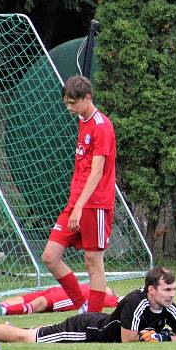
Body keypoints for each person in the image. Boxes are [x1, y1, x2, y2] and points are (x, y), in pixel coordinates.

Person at [0, 267, 176, 344]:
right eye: (167, 290)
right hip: (84, 331)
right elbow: (128, 341)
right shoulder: (135, 302)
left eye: (173, 289)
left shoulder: (168, 306)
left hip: (95, 327)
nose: (172, 294)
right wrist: (155, 338)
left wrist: (165, 339)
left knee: (36, 332)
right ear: (151, 289)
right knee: (26, 338)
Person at [42, 75, 116, 314]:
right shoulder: (83, 121)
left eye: (73, 103)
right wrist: (74, 205)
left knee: (93, 263)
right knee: (50, 257)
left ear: (87, 98)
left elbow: (96, 172)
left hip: (93, 205)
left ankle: (94, 319)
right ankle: (83, 307)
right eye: (66, 103)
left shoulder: (102, 126)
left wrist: (80, 206)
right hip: (76, 203)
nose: (69, 108)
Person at [0, 284, 121, 317]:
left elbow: (123, 300)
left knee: (40, 304)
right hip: (54, 290)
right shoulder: (91, 285)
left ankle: (3, 312)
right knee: (15, 298)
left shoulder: (106, 299)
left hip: (63, 299)